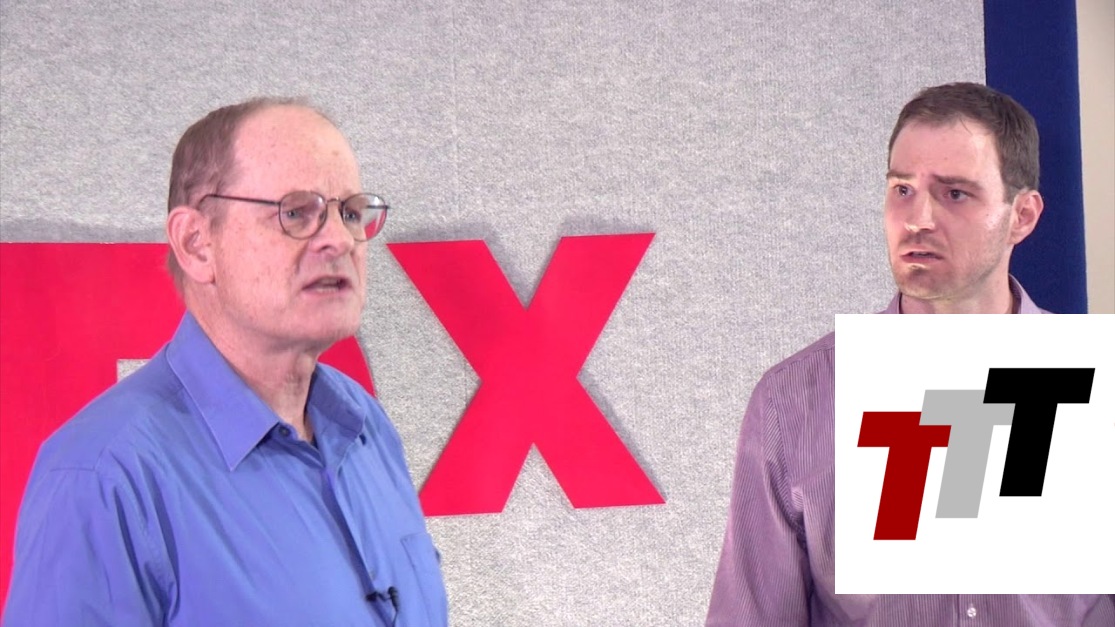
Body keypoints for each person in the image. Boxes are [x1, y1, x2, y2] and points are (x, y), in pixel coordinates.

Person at [3, 98, 448, 626]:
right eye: (295, 213)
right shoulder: (101, 476)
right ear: (197, 244)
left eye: (350, 212)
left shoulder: (364, 423)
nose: (338, 240)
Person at [706, 83, 1114, 625]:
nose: (918, 218)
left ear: (1022, 216)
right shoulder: (795, 401)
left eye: (955, 194)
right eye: (902, 189)